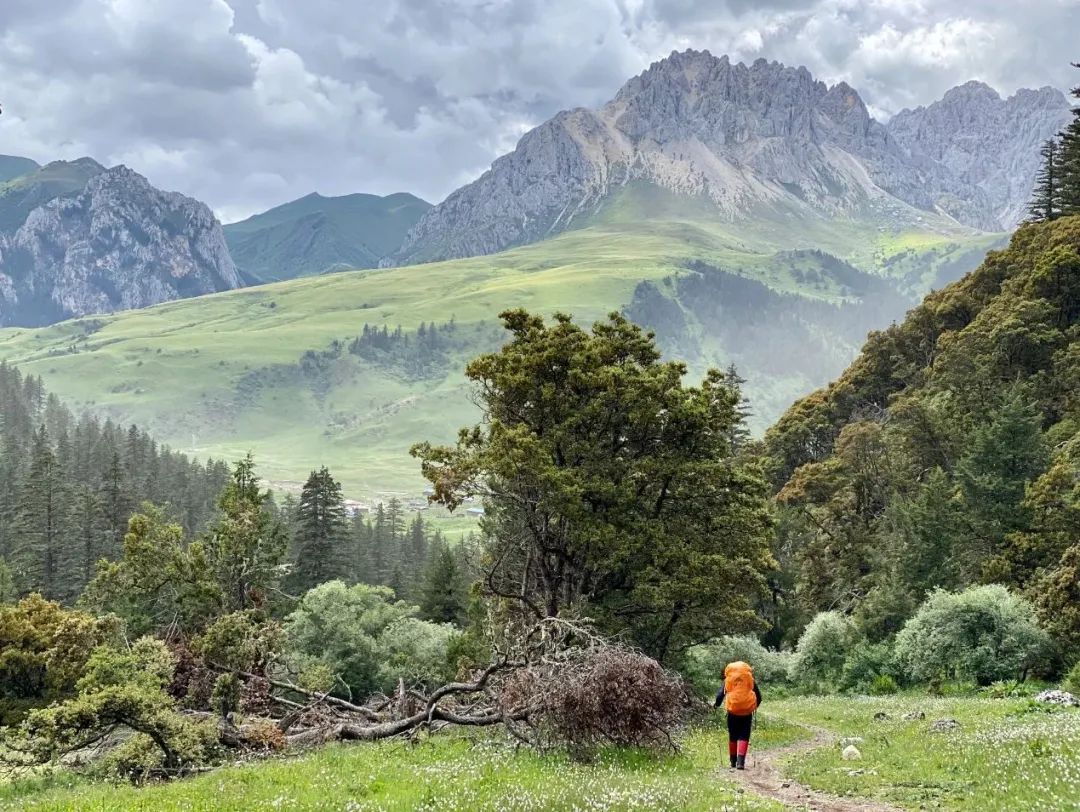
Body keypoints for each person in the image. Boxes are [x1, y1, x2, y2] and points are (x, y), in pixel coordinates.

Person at [714, 660, 761, 770]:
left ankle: (733, 761)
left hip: (733, 711)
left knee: (733, 735)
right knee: (744, 735)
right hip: (747, 712)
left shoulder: (728, 680)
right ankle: (741, 762)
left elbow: (720, 695)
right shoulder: (749, 679)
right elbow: (759, 696)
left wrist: (716, 704)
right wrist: (753, 707)